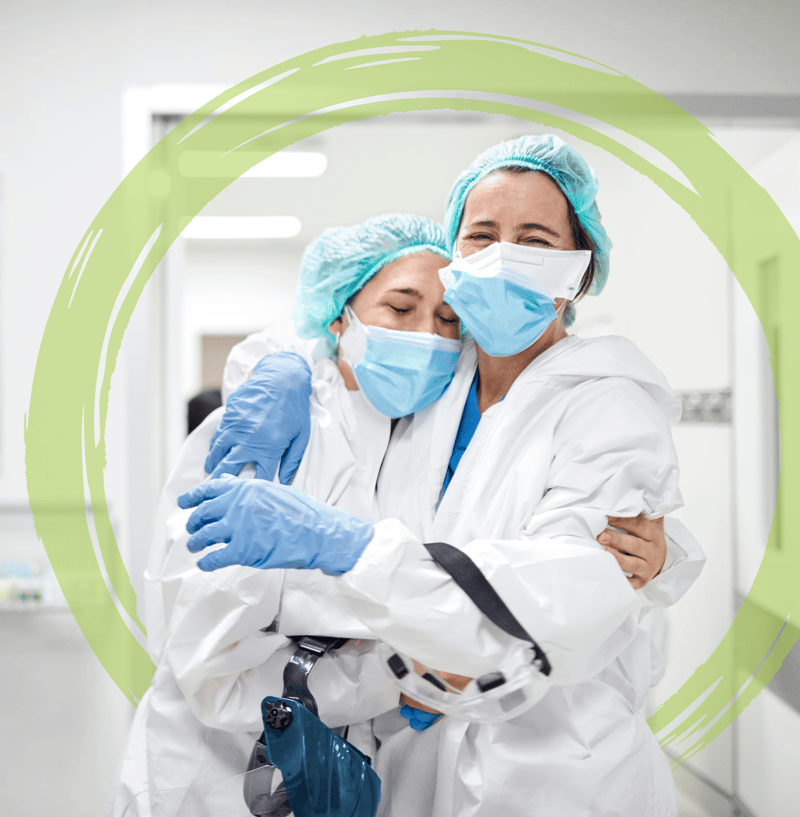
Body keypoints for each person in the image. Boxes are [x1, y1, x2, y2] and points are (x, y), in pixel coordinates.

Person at [181, 135, 705, 817]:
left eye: (536, 240)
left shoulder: (610, 402)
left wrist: (353, 551)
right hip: (411, 762)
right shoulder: (437, 376)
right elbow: (340, 320)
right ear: (453, 257)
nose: (501, 258)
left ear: (580, 271)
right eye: (481, 235)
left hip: (558, 775)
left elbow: (535, 620)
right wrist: (278, 365)